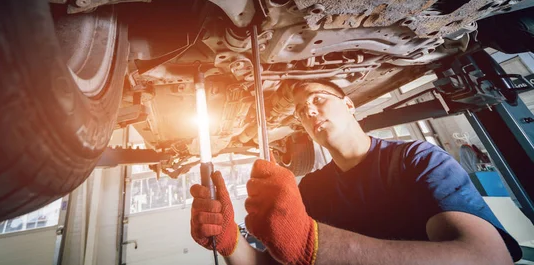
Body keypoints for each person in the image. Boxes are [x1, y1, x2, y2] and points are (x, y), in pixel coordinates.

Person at [189, 79, 521, 265]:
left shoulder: (415, 159)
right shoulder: (314, 188)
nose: (310, 111)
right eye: (303, 111)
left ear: (349, 103)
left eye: (318, 99)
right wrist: (231, 243)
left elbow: (489, 258)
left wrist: (312, 241)